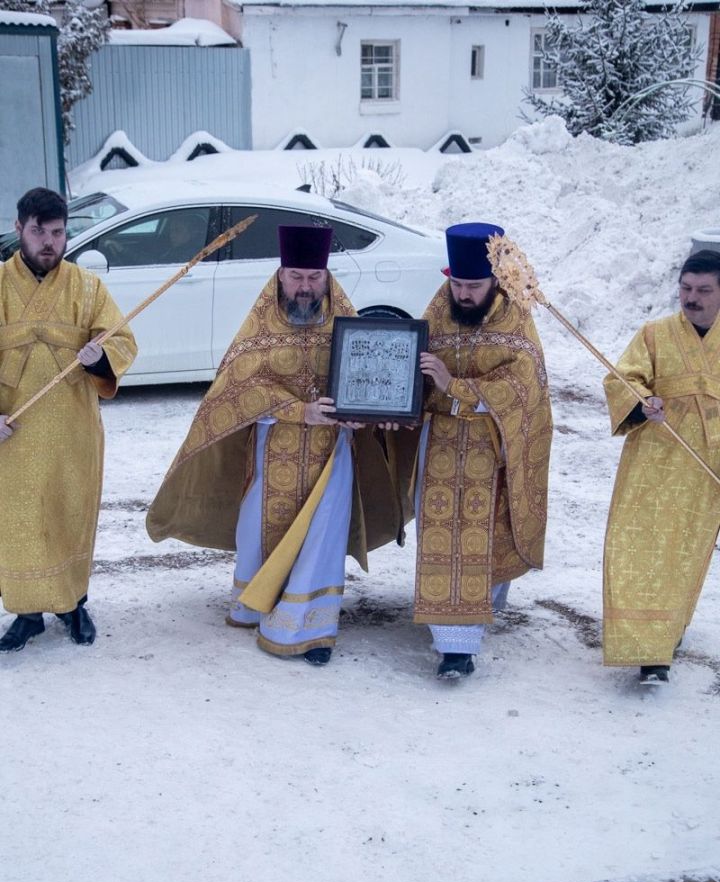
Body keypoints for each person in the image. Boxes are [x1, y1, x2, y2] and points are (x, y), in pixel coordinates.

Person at [146, 224, 400, 665]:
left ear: (327, 277)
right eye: (296, 276)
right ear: (280, 276)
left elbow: (370, 383)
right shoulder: (257, 331)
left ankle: (312, 627)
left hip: (330, 453)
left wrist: (364, 415)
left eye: (314, 277)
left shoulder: (349, 325)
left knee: (322, 535)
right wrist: (298, 410)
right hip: (272, 447)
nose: (305, 287)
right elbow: (235, 391)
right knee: (259, 528)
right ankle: (257, 601)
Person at [407, 222, 553, 679]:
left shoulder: (514, 317)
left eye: (474, 286)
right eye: (457, 284)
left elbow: (524, 385)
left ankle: (461, 643)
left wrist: (457, 386)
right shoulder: (438, 308)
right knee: (439, 536)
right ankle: (447, 627)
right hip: (440, 447)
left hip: (492, 449)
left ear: (494, 281)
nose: (464, 294)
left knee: (482, 536)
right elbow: (413, 367)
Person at [0, 187, 137, 652]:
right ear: (19, 228)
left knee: (69, 512)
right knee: (20, 520)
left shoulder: (86, 286)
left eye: (57, 233)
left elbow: (122, 339)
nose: (48, 243)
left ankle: (73, 603)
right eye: (38, 231)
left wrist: (100, 358)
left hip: (72, 428)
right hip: (13, 431)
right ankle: (27, 613)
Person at [603, 249, 720, 685]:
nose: (692, 298)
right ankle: (647, 651)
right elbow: (622, 377)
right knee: (636, 548)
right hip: (652, 459)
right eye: (686, 289)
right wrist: (640, 401)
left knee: (683, 557)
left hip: (706, 468)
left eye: (704, 291)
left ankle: (666, 637)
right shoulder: (654, 334)